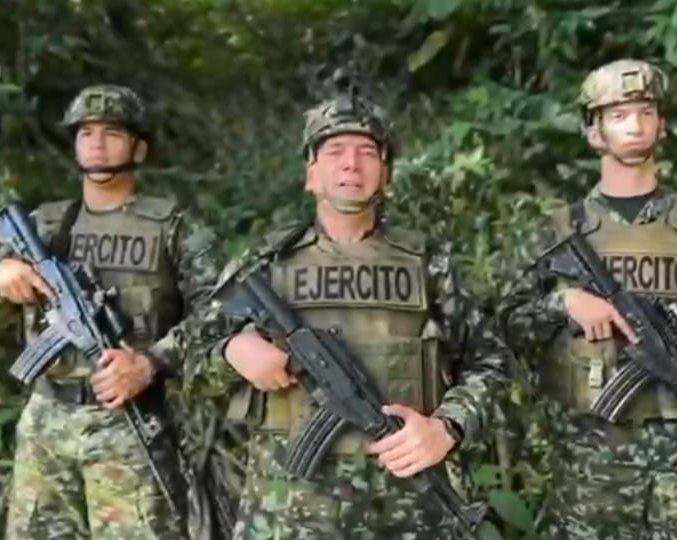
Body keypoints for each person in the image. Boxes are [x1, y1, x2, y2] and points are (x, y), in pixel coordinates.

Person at [182, 72, 511, 539]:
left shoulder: (427, 263)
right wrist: (233, 352)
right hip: (288, 509)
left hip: (409, 507)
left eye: (367, 153)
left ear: (387, 174)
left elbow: (492, 361)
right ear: (310, 175)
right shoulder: (265, 264)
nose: (351, 165)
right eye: (334, 152)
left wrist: (448, 427)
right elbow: (190, 359)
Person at [501, 59, 677, 539]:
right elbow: (506, 325)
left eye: (646, 111)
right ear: (594, 131)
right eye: (619, 114)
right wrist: (564, 304)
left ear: (662, 124)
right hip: (589, 456)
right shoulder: (559, 233)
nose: (636, 124)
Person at [0, 84, 219, 539]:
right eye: (85, 133)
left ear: (138, 147)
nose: (97, 143)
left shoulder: (174, 227)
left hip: (131, 425)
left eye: (112, 132)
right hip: (46, 422)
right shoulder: (45, 225)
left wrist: (151, 362)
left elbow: (219, 318)